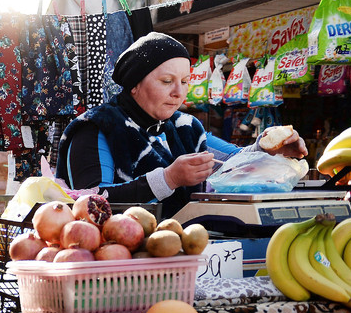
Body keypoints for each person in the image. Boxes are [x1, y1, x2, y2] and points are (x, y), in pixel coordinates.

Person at [56, 33, 307, 220]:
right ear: (134, 84)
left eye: (185, 81)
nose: (178, 93)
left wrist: (271, 149)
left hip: (179, 254)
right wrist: (168, 178)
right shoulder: (96, 128)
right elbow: (89, 203)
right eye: (167, 81)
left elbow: (234, 161)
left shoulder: (185, 126)